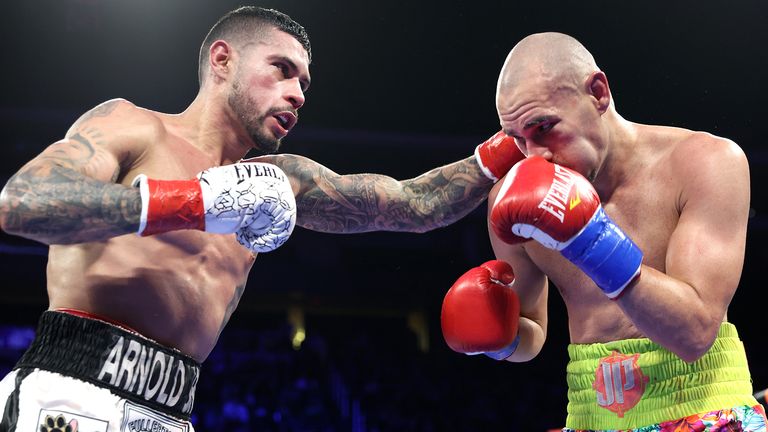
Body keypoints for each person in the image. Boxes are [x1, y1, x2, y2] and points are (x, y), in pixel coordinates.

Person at [0, 6, 524, 431]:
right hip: (71, 388)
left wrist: (512, 145)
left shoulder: (281, 182)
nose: (297, 93)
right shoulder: (133, 127)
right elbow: (23, 203)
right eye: (282, 69)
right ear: (222, 61)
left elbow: (413, 206)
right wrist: (194, 201)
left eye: (305, 84)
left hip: (171, 411)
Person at [440, 32, 767, 431]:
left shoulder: (705, 163)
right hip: (588, 416)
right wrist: (500, 337)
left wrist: (588, 240)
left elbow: (694, 333)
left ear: (597, 93)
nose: (534, 155)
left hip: (703, 409)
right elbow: (534, 333)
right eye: (517, 139)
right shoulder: (511, 202)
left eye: (543, 127)